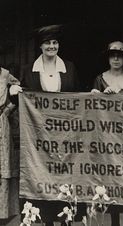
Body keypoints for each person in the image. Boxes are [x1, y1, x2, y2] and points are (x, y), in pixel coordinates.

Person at [11, 24, 83, 226]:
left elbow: (78, 97)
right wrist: (15, 91)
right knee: (43, 176)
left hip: (65, 137)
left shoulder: (69, 67)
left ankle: (66, 220)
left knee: (64, 177)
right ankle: (47, 221)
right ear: (41, 47)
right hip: (39, 139)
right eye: (47, 43)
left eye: (55, 42)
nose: (52, 46)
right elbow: (23, 102)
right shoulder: (29, 70)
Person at [0, 67, 20, 219]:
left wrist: (8, 109)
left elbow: (20, 92)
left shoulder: (5, 75)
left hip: (1, 125)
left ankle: (2, 212)